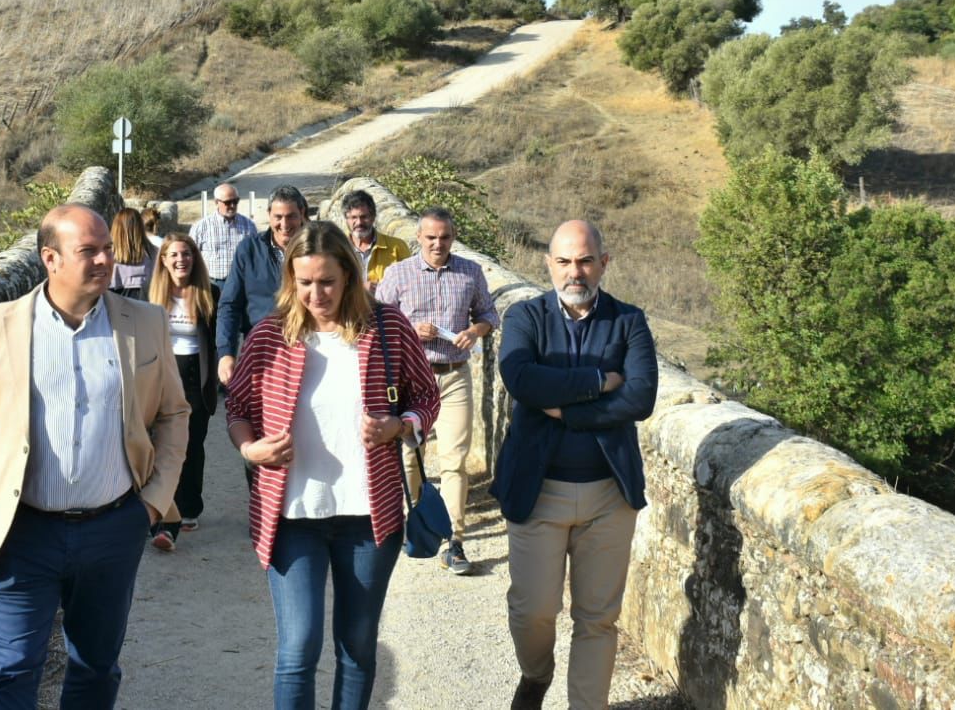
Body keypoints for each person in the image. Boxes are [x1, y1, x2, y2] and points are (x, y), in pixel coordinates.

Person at [0, 204, 190, 709]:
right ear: (50, 258)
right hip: (19, 533)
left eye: (108, 249)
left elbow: (173, 414)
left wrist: (153, 501)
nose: (105, 260)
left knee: (96, 668)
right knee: (11, 675)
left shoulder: (145, 322)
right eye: (88, 251)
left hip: (111, 529)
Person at [225, 222, 440, 710]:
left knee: (358, 648)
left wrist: (400, 425)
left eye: (326, 282)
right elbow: (236, 406)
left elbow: (426, 396)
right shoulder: (268, 335)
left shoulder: (388, 327)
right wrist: (249, 449)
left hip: (369, 516)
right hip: (291, 516)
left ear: (348, 275)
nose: (315, 294)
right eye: (304, 283)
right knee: (298, 650)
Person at [492, 220, 658, 710]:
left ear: (604, 263)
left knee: (597, 619)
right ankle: (535, 673)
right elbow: (520, 378)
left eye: (585, 260)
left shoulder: (630, 322)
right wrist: (597, 381)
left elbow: (641, 396)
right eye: (564, 261)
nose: (575, 272)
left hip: (609, 493)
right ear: (548, 264)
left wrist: (566, 410)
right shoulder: (525, 318)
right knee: (533, 611)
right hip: (538, 491)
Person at [374, 206, 498, 576]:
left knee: (454, 460)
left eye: (444, 237)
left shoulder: (470, 273)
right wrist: (412, 330)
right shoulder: (398, 274)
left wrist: (475, 331)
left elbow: (490, 315)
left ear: (453, 238)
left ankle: (454, 540)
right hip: (411, 379)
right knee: (411, 457)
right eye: (431, 238)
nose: (438, 244)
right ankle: (418, 522)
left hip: (454, 374)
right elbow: (377, 325)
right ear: (419, 237)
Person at [145, 233, 220, 551]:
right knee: (160, 446)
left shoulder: (209, 294)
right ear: (163, 260)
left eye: (187, 254)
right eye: (174, 255)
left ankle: (189, 507)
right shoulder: (150, 296)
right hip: (162, 375)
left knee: (191, 446)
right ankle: (162, 512)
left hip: (195, 375)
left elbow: (220, 339)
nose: (181, 260)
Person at [214, 184, 306, 387]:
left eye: (291, 216)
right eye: (278, 217)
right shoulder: (249, 250)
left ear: (302, 214)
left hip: (310, 350)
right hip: (262, 352)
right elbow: (230, 304)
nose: (284, 224)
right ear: (269, 215)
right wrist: (226, 353)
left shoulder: (318, 247)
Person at [339, 189, 410, 292]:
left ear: (373, 217)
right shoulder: (338, 248)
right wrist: (360, 289)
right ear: (346, 219)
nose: (359, 222)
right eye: (353, 217)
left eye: (364, 217)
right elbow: (331, 284)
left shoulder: (397, 247)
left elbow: (409, 284)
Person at [189, 182, 258, 285]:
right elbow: (191, 256)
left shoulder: (249, 226)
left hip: (241, 284)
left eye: (235, 201)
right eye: (228, 202)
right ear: (216, 202)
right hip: (212, 284)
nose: (233, 205)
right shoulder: (200, 227)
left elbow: (256, 256)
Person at [109, 206, 155, 299]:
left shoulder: (108, 256)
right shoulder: (154, 253)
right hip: (146, 305)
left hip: (115, 305)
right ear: (140, 227)